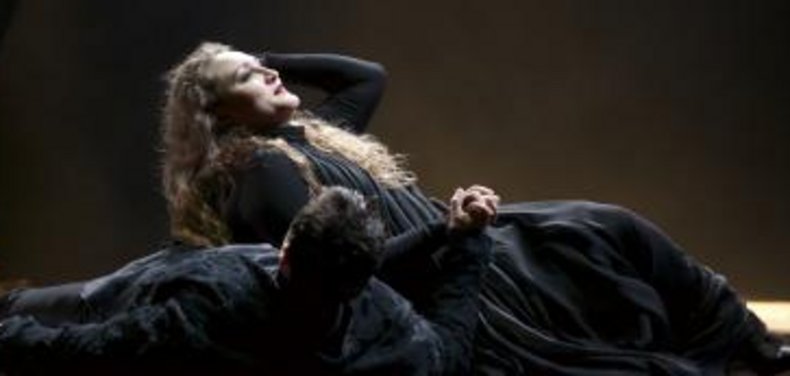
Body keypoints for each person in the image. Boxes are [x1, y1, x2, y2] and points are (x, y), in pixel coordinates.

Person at [156, 43, 788, 376]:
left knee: (609, 226)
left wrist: (256, 61)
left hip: (459, 239)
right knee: (598, 241)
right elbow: (350, 273)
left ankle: (742, 339)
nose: (270, 76)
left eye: (264, 68)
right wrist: (450, 231)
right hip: (437, 274)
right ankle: (742, 347)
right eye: (248, 79)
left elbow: (366, 76)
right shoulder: (260, 173)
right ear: (220, 115)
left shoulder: (309, 136)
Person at [0, 184, 496, 375]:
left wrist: (11, 335)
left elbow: (91, 350)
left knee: (19, 308)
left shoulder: (210, 308)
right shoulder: (389, 339)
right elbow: (450, 349)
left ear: (286, 253)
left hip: (108, 301)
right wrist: (461, 238)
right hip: (130, 295)